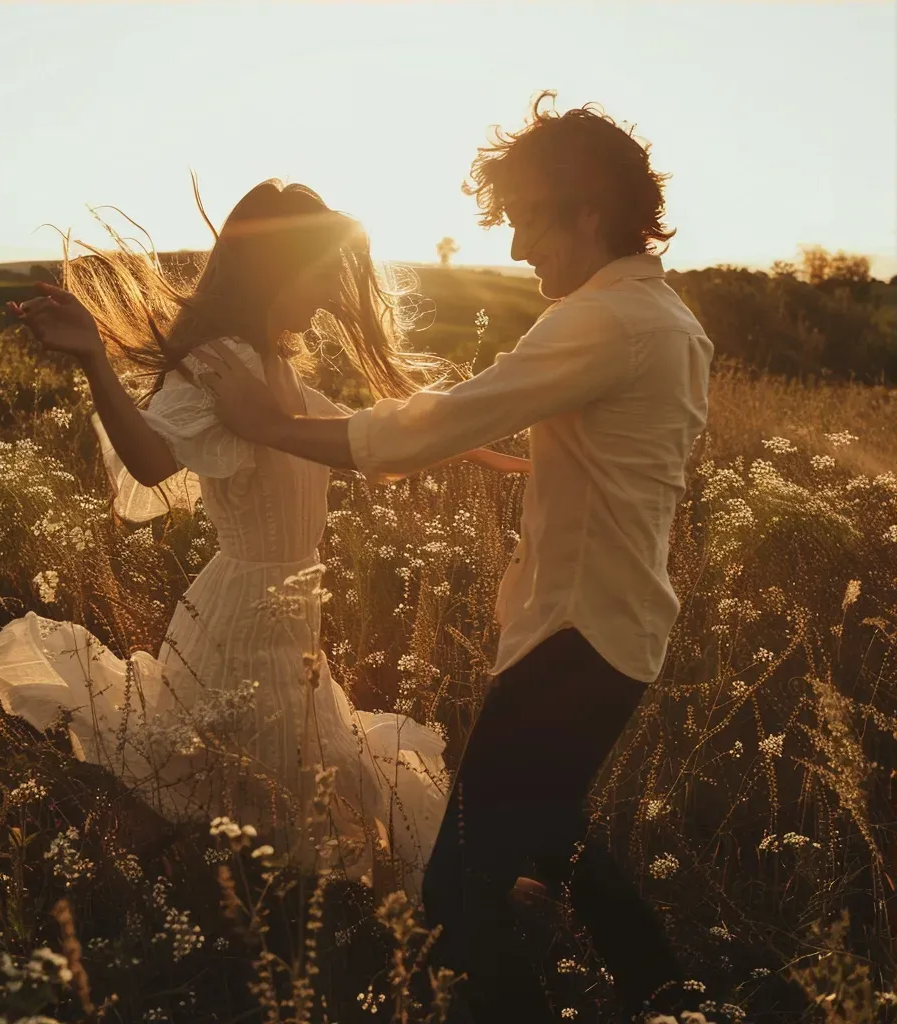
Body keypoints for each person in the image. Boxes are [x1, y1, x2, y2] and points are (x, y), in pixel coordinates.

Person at [188, 95, 715, 1024]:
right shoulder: (665, 317)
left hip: (576, 636)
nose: (516, 249)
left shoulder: (607, 321)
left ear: (586, 212)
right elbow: (613, 452)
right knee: (556, 833)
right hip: (615, 631)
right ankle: (675, 999)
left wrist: (271, 425)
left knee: (454, 894)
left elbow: (432, 424)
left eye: (526, 220)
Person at [0, 179, 529, 896]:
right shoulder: (218, 363)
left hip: (291, 612)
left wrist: (476, 451)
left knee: (257, 783)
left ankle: (170, 898)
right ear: (276, 269)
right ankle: (110, 905)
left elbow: (353, 442)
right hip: (243, 614)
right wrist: (94, 360)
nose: (328, 295)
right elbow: (151, 460)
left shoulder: (275, 368)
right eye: (321, 275)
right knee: (243, 776)